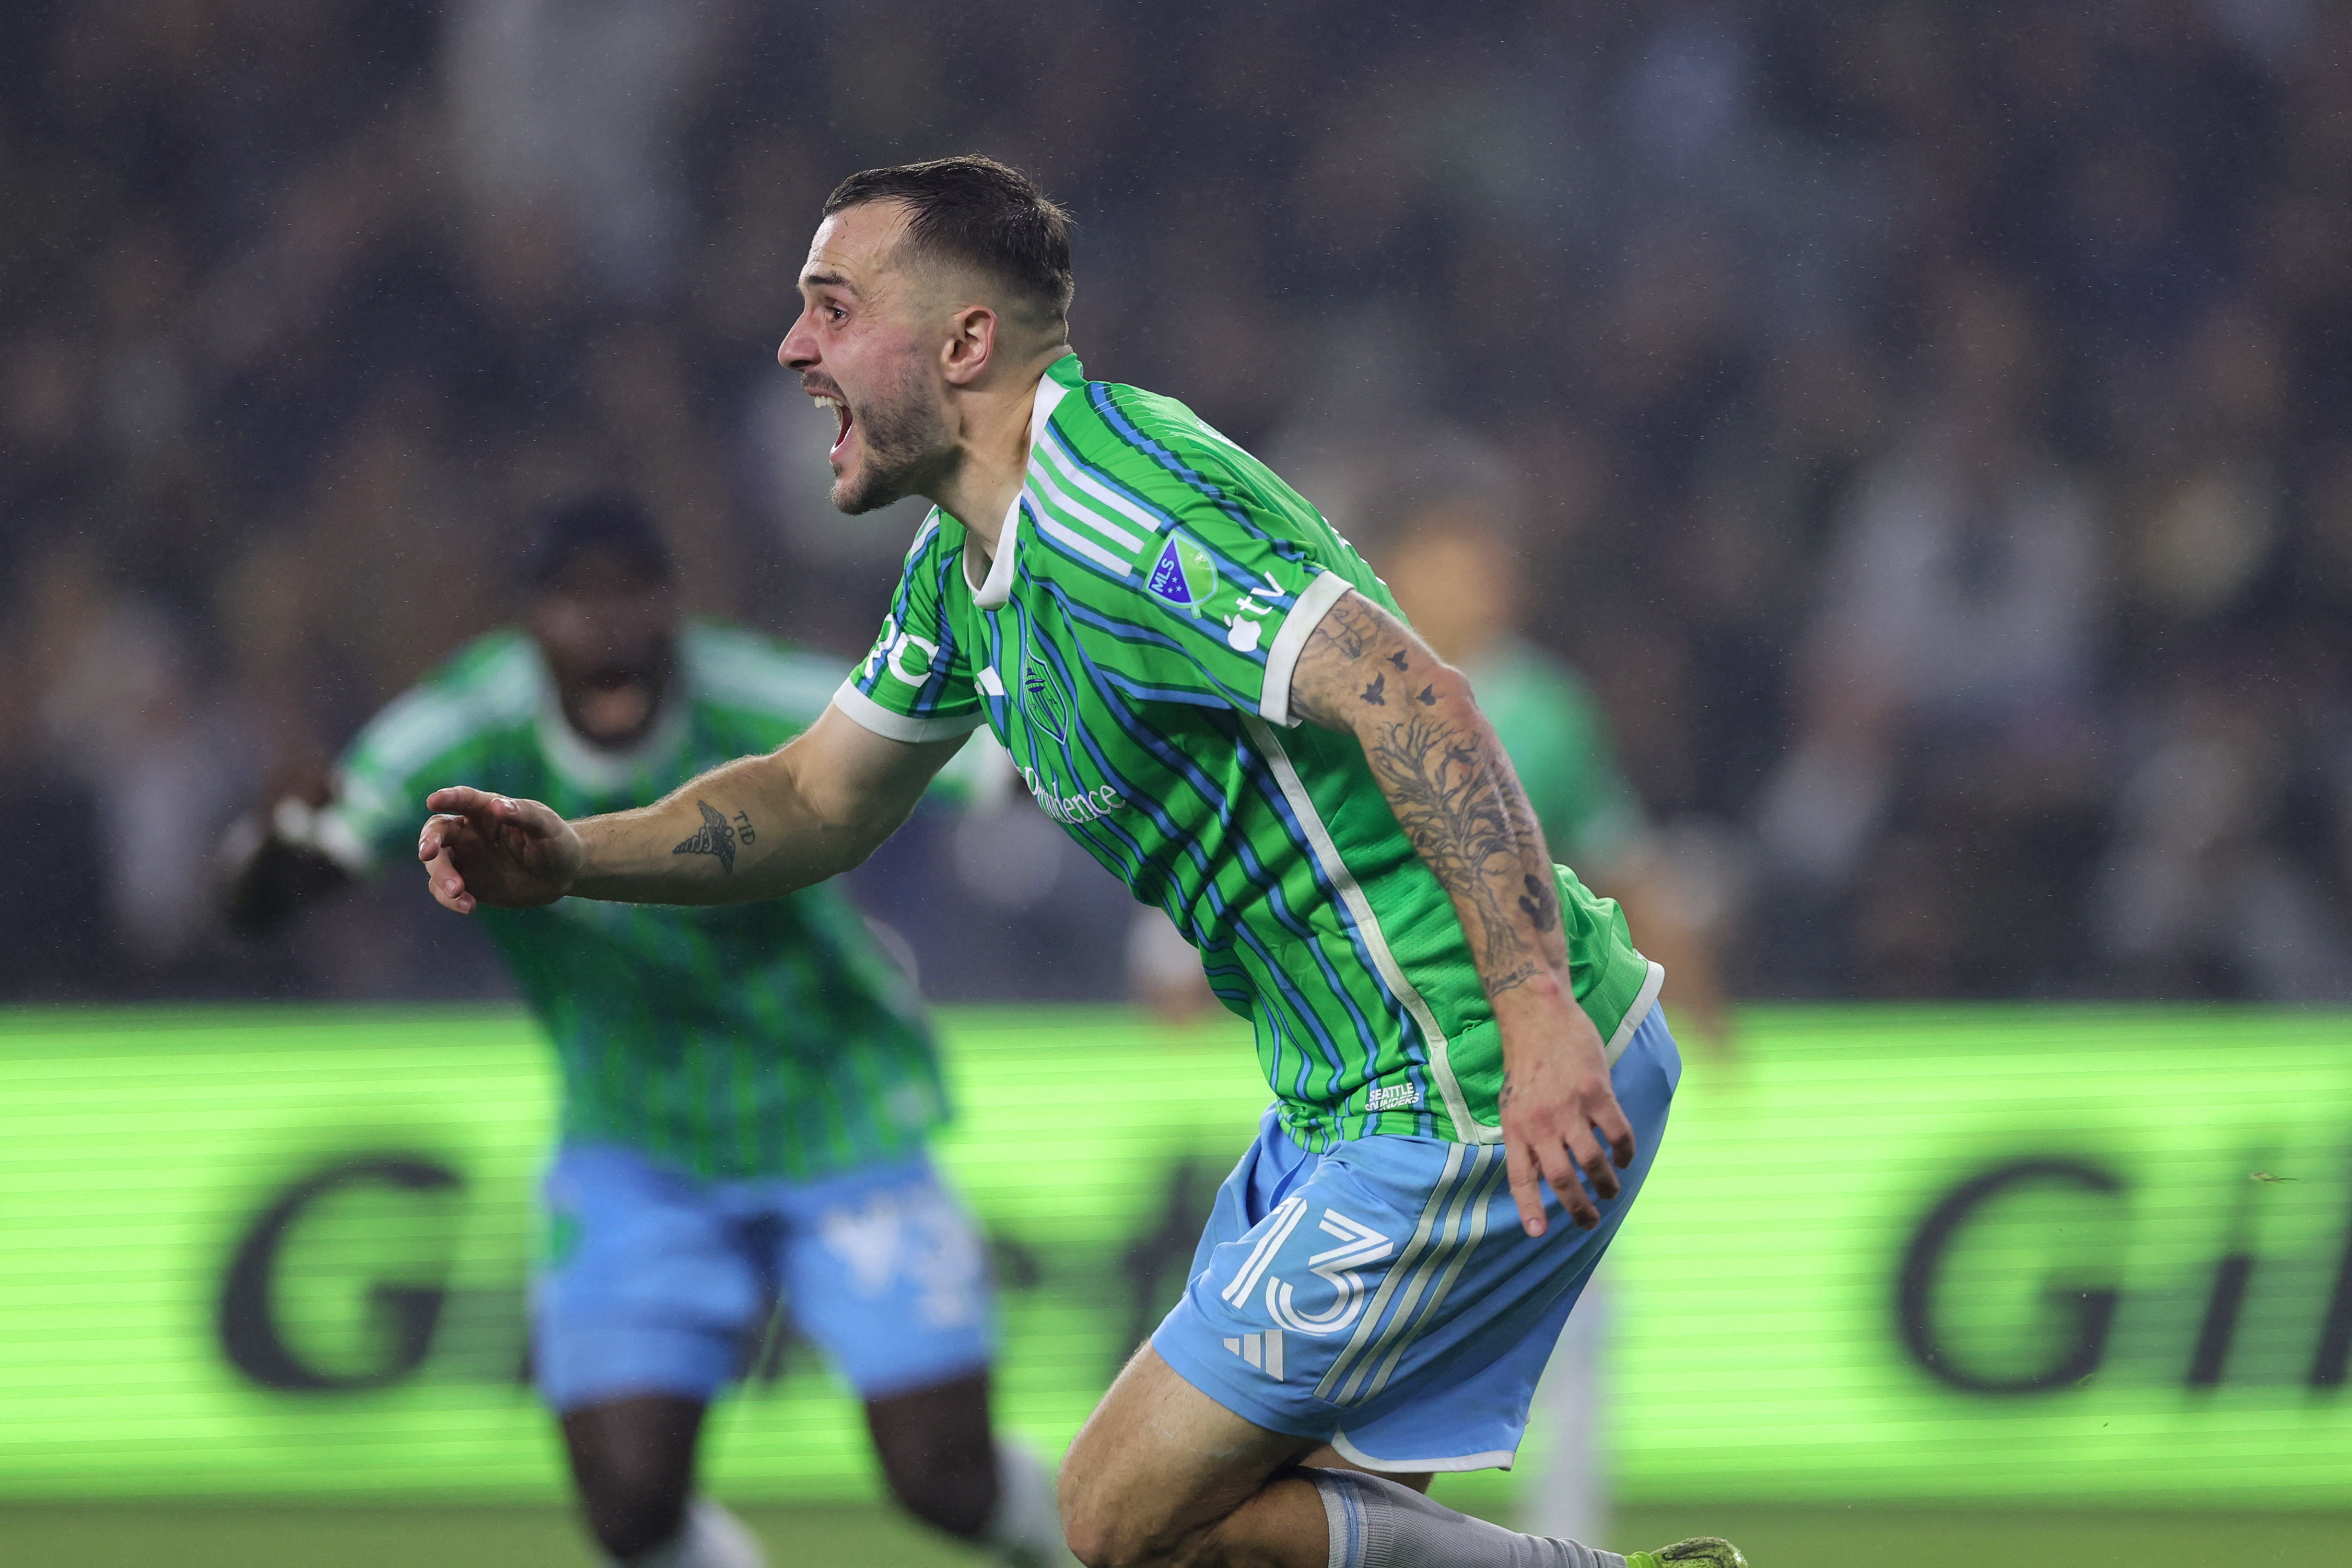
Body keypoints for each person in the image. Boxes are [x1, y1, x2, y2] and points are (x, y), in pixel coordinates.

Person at [412, 158, 1743, 1568]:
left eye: (832, 308)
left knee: (1112, 1511)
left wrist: (1535, 1011)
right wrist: (571, 855)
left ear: (966, 341)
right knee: (1207, 1540)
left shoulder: (1121, 504)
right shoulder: (962, 567)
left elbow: (1420, 696)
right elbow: (814, 797)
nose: (795, 350)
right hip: (1347, 1097)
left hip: (1472, 1063)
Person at [223, 493, 1073, 1568]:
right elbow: (300, 864)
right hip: (636, 1144)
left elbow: (1000, 764)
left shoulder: (758, 696)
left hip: (835, 1118)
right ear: (530, 622)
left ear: (673, 608)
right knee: (629, 1503)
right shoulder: (469, 729)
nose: (608, 625)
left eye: (633, 594)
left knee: (943, 1480)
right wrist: (269, 851)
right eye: (577, 600)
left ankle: (1095, 1546)